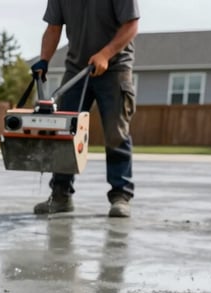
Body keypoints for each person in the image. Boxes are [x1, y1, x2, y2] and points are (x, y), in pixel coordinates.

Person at [31, 0, 140, 217]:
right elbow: (53, 28)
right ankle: (61, 195)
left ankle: (120, 195)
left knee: (115, 132)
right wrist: (44, 60)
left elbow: (131, 25)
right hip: (76, 69)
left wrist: (106, 54)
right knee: (64, 131)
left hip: (115, 67)